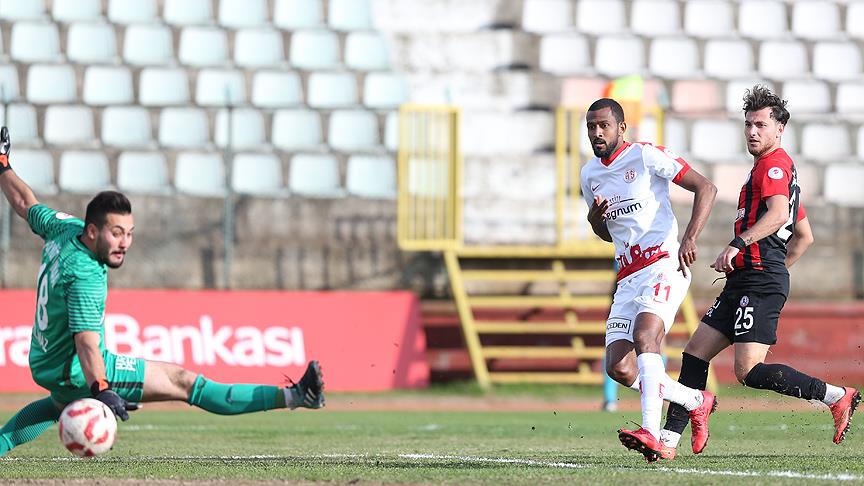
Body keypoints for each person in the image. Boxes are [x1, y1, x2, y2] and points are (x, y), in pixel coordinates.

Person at [0, 127, 325, 457]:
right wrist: (102, 389)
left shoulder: (64, 228)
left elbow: (24, 202)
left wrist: (3, 165)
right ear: (94, 231)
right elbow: (86, 343)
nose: (125, 243)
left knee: (59, 404)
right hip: (76, 370)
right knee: (184, 382)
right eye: (116, 233)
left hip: (45, 360)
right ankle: (296, 396)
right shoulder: (86, 277)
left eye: (129, 233)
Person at [658, 85, 860, 459]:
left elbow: (779, 214)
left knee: (748, 371)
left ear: (780, 129)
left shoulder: (773, 166)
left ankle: (836, 396)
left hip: (758, 280)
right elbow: (805, 236)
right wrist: (770, 269)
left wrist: (743, 248)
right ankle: (668, 440)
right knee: (695, 353)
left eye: (761, 125)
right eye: (748, 124)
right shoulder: (775, 171)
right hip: (747, 280)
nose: (752, 132)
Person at [581, 98, 718, 462]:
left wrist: (689, 238)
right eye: (591, 126)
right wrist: (595, 221)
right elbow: (607, 233)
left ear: (621, 128)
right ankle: (694, 400)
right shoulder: (589, 174)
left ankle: (651, 433)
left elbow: (706, 187)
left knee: (646, 337)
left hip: (663, 263)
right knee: (620, 368)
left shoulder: (644, 156)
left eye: (604, 125)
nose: (597, 133)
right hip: (627, 275)